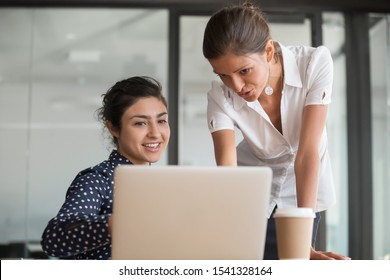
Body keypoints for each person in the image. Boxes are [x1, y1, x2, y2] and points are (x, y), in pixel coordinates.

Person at [202, 1, 350, 260]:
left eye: (244, 71)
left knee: (296, 263)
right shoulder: (220, 96)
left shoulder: (314, 64)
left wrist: (305, 246)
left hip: (301, 196)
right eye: (223, 75)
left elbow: (307, 154)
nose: (236, 85)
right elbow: (227, 170)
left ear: (268, 51)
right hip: (252, 194)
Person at [41, 76, 170, 259]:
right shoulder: (98, 180)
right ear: (114, 128)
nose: (155, 133)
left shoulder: (167, 186)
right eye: (140, 123)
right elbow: (55, 238)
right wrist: (117, 224)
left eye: (162, 121)